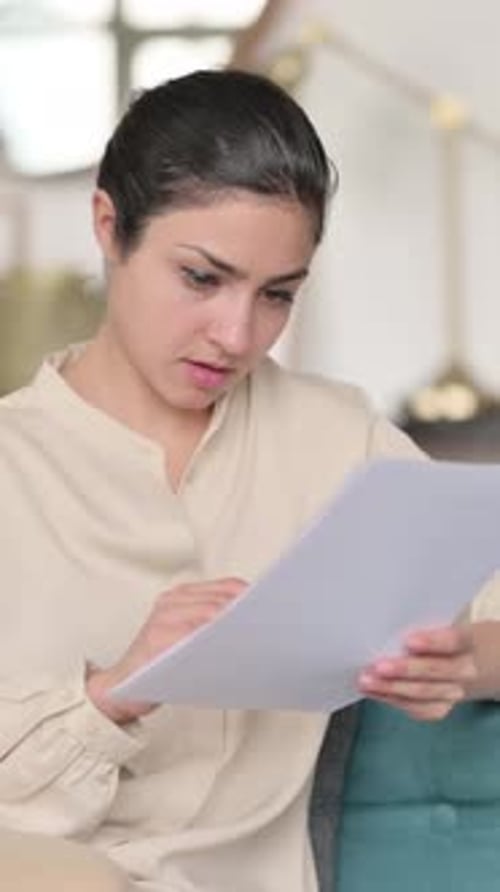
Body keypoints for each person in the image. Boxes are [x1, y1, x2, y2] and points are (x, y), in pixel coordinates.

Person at [0, 68, 492, 892]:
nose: (235, 335)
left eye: (278, 296)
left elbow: (487, 602)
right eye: (202, 278)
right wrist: (117, 691)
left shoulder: (336, 440)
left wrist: (459, 663)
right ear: (108, 225)